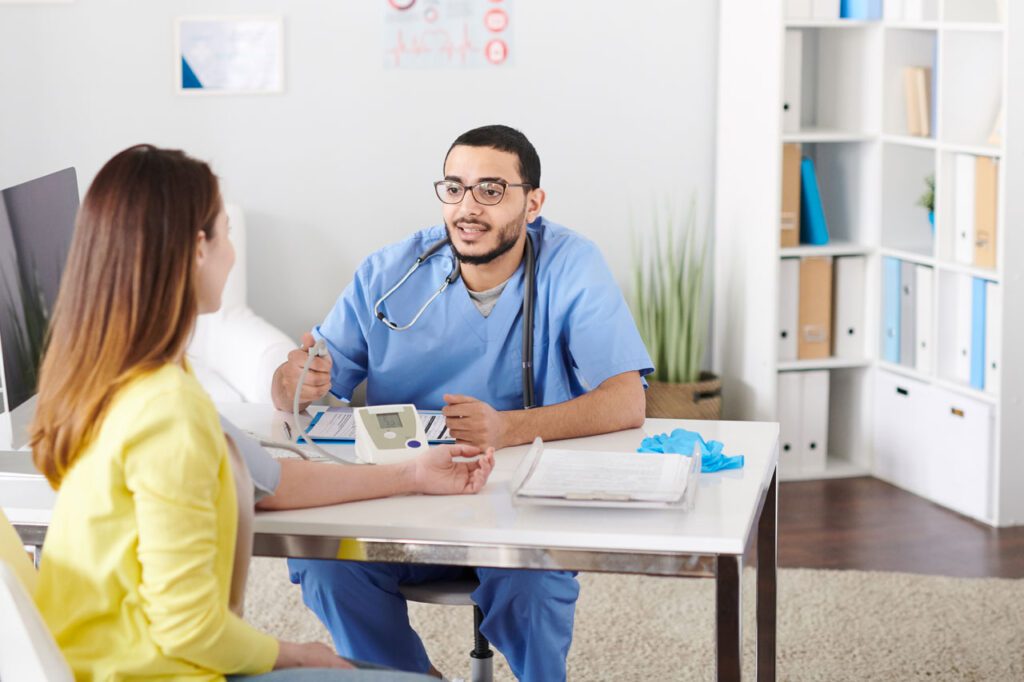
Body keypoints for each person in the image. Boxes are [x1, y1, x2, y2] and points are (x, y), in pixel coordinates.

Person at [28, 144, 493, 682]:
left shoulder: (117, 380)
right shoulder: (167, 412)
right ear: (196, 250)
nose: (231, 254)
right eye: (224, 233)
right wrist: (300, 654)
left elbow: (268, 481)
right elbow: (189, 629)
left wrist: (412, 473)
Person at [272, 125, 654, 681]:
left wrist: (506, 429)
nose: (468, 207)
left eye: (491, 190)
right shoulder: (389, 272)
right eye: (454, 188)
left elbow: (626, 401)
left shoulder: (571, 265)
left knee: (532, 584)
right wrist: (293, 381)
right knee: (323, 561)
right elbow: (302, 388)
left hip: (518, 502)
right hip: (400, 494)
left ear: (533, 202)